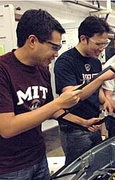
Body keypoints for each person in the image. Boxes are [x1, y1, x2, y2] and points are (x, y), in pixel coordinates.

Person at [0, 9, 84, 179]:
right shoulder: (3, 70)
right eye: (54, 47)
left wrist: (83, 122)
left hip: (38, 157)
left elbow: (50, 110)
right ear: (32, 41)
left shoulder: (43, 70)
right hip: (10, 167)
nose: (56, 53)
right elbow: (7, 128)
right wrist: (59, 102)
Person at [54, 16, 114, 165]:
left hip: (94, 124)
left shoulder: (95, 61)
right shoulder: (65, 62)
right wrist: (100, 78)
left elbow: (95, 90)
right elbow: (73, 96)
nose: (101, 49)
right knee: (77, 169)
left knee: (96, 165)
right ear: (83, 39)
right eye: (98, 43)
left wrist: (105, 100)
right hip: (74, 129)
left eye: (104, 44)